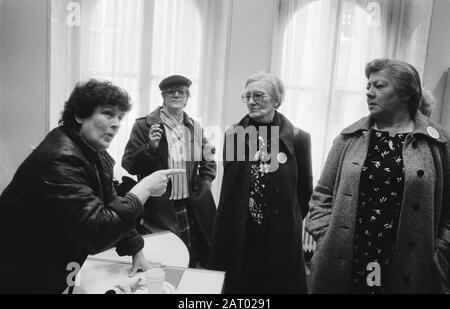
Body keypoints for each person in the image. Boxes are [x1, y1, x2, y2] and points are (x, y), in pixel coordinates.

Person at [0, 79, 184, 293]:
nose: (116, 123)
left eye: (119, 117)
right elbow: (97, 233)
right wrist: (144, 189)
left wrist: (137, 252)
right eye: (107, 113)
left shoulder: (92, 153)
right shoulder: (60, 159)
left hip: (50, 265)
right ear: (79, 115)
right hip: (19, 273)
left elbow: (110, 202)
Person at [306, 58, 450, 294]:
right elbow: (321, 196)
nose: (369, 93)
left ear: (406, 93)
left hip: (408, 264)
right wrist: (326, 237)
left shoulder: (438, 142)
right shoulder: (349, 138)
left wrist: (440, 252)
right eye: (368, 87)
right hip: (349, 258)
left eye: (379, 86)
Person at [209, 72, 313, 293]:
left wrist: (287, 219)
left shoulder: (298, 138)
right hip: (242, 232)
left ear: (276, 100)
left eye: (258, 95)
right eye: (247, 96)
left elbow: (304, 191)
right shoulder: (234, 134)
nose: (251, 101)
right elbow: (231, 188)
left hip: (280, 233)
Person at [122, 75, 217, 268]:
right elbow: (130, 164)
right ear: (163, 96)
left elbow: (209, 159)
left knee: (194, 256)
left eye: (181, 92)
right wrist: (151, 147)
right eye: (171, 91)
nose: (176, 95)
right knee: (168, 260)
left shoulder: (193, 126)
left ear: (186, 97)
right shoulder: (144, 126)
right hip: (159, 208)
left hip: (191, 205)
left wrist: (204, 182)